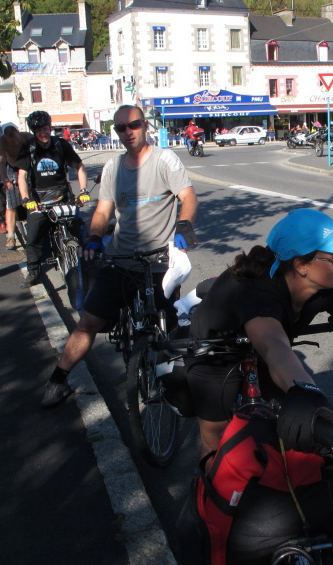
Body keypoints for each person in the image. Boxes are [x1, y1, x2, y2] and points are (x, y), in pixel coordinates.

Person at [187, 208, 333, 457]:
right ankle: (207, 490)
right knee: (218, 438)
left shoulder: (332, 284)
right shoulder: (255, 288)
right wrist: (309, 395)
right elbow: (273, 345)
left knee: (288, 432)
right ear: (301, 265)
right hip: (216, 352)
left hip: (269, 352)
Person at [41, 104, 198, 408]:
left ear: (145, 126)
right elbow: (103, 210)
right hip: (120, 259)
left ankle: (180, 383)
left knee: (165, 324)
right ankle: (57, 380)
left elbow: (188, 196)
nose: (127, 132)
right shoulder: (113, 167)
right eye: (120, 128)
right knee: (87, 322)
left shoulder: (165, 160)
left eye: (134, 125)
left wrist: (184, 225)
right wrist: (96, 237)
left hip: (157, 261)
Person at [16, 110, 90, 288]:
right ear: (34, 131)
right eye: (39, 129)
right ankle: (33, 272)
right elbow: (22, 176)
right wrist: (26, 199)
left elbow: (79, 167)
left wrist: (84, 190)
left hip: (63, 196)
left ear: (50, 127)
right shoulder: (29, 148)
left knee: (79, 231)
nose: (43, 133)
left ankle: (86, 268)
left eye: (46, 128)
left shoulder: (60, 144)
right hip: (39, 200)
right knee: (33, 238)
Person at [0, 124, 35, 250]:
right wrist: (5, 180)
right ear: (6, 138)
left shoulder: (27, 137)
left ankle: (36, 229)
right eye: (12, 141)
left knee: (33, 199)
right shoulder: (1, 143)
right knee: (11, 205)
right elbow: (1, 163)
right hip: (13, 169)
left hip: (28, 168)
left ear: (19, 133)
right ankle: (11, 236)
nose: (16, 142)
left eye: (17, 139)